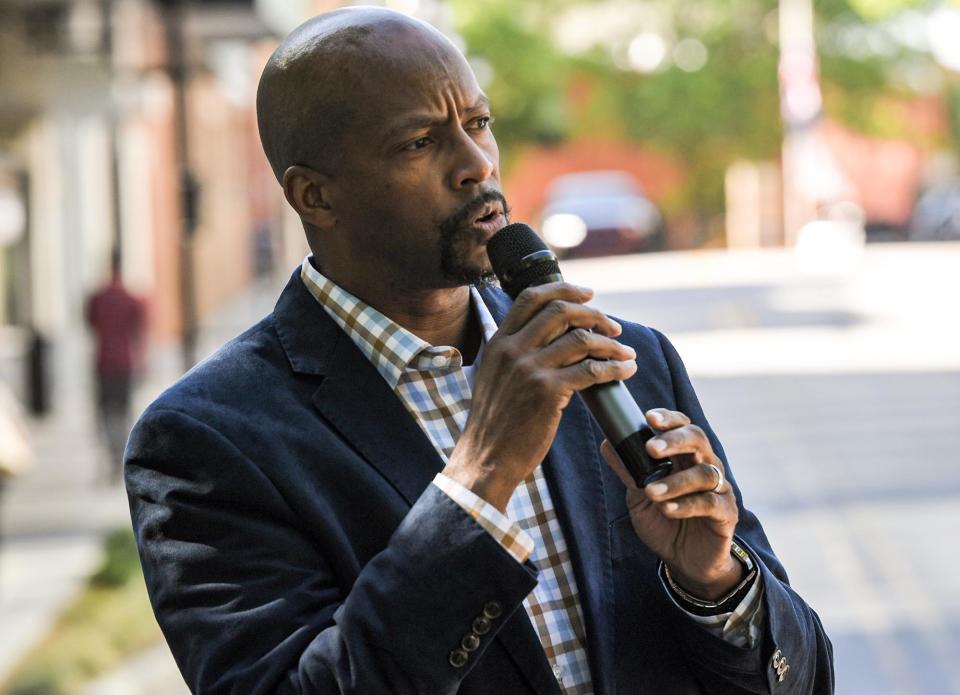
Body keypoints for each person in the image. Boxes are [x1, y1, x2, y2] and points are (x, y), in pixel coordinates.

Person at [124, 8, 833, 694]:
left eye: (478, 123)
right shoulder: (204, 442)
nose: (475, 164)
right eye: (419, 142)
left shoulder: (628, 360)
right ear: (315, 195)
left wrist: (716, 586)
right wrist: (479, 479)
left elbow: (805, 678)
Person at [86, 250, 146, 483]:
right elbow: (139, 333)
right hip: (124, 363)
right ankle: (122, 456)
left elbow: (90, 324)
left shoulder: (97, 299)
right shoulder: (131, 299)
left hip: (103, 363)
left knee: (105, 413)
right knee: (123, 412)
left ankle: (112, 458)